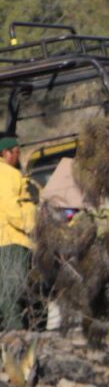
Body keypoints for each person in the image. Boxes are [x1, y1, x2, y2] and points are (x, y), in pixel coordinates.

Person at [0, 134, 35, 330]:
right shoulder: (7, 174)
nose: (18, 156)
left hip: (4, 239)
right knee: (13, 288)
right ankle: (15, 331)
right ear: (5, 153)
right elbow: (11, 206)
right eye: (16, 152)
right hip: (11, 239)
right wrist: (30, 225)